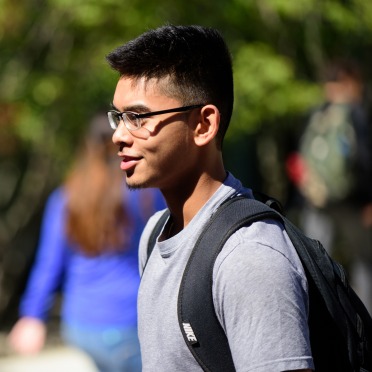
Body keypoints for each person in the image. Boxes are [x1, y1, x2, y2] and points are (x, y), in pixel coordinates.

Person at [105, 25, 313, 371]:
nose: (119, 136)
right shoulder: (155, 233)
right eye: (118, 117)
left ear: (203, 125)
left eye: (137, 117)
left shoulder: (249, 257)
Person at [7, 113, 166, 372]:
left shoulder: (65, 198)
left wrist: (32, 315)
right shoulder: (146, 194)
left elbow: (49, 263)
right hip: (129, 321)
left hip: (81, 326)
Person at [286, 60, 372, 313]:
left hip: (316, 198)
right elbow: (365, 159)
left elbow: (299, 155)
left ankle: (318, 318)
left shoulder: (317, 113)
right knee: (365, 262)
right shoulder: (355, 113)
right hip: (351, 200)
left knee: (314, 262)